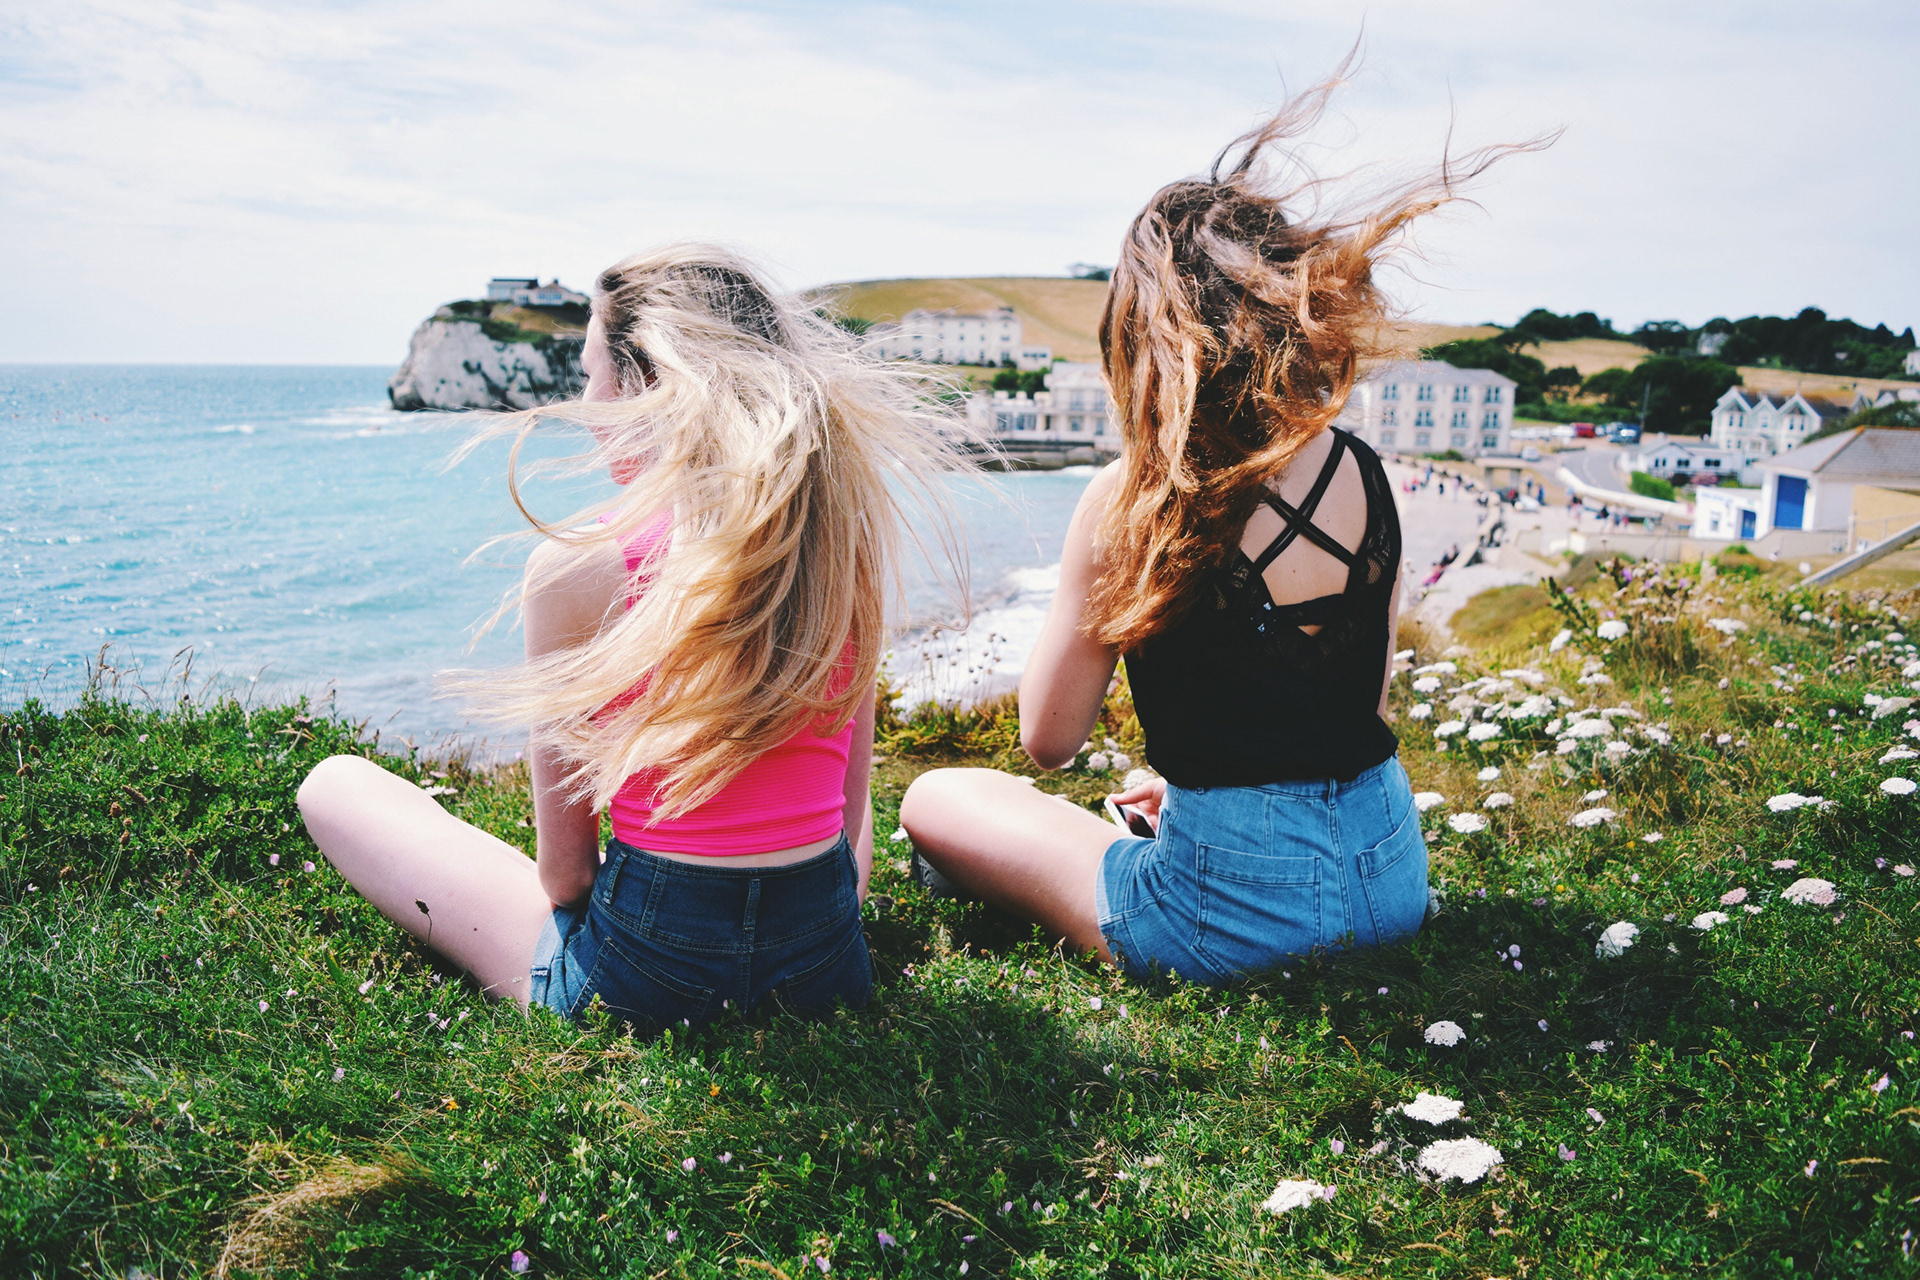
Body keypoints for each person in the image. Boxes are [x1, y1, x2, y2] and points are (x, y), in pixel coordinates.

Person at [900, 87, 1528, 985]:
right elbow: (1362, 705)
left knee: (938, 794)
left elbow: (1049, 739)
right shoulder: (1362, 469)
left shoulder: (1131, 497)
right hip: (1389, 881)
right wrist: (1202, 774)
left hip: (1225, 916)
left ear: (1145, 330)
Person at [298, 245, 969, 1027]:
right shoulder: (838, 552)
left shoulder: (576, 568)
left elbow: (567, 879)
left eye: (593, 374)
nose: (586, 402)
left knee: (333, 785)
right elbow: (851, 840)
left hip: (646, 981)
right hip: (825, 969)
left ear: (651, 386)